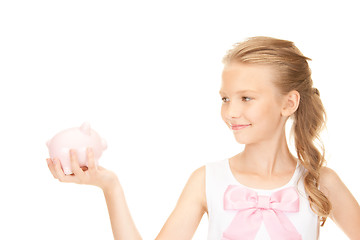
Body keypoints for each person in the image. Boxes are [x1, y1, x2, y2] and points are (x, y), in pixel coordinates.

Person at [46, 36, 360, 240]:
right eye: (225, 99)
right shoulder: (208, 179)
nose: (231, 112)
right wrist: (109, 186)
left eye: (246, 98)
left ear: (288, 103)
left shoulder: (321, 183)